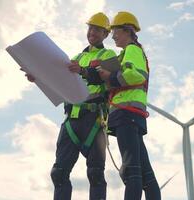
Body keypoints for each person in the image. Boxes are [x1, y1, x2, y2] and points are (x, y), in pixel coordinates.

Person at [25, 12, 116, 200]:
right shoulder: (75, 57)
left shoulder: (108, 55)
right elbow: (58, 83)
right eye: (91, 28)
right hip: (71, 120)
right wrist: (38, 78)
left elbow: (109, 79)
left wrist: (83, 71)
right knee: (58, 173)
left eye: (98, 30)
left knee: (95, 173)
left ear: (106, 34)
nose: (93, 32)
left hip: (94, 119)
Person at [98, 11, 161, 200]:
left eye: (115, 31)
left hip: (127, 114)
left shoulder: (132, 50)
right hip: (130, 115)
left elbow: (138, 76)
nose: (113, 36)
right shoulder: (127, 53)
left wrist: (111, 77)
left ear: (127, 30)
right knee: (145, 174)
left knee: (131, 171)